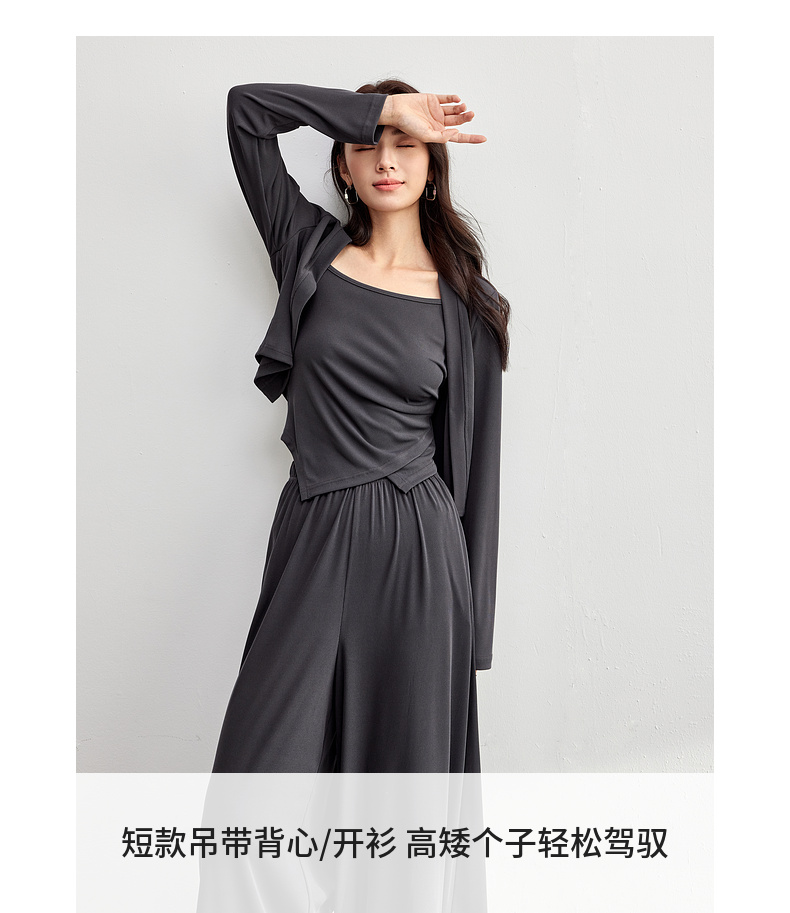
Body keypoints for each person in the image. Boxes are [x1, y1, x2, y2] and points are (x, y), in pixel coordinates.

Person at [210, 79, 510, 775]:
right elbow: (246, 111)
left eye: (407, 145)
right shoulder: (307, 248)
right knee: (259, 776)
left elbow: (481, 473)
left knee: (399, 787)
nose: (386, 159)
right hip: (312, 529)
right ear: (342, 167)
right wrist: (383, 110)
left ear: (433, 168)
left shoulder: (469, 305)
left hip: (417, 549)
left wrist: (473, 633)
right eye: (367, 145)